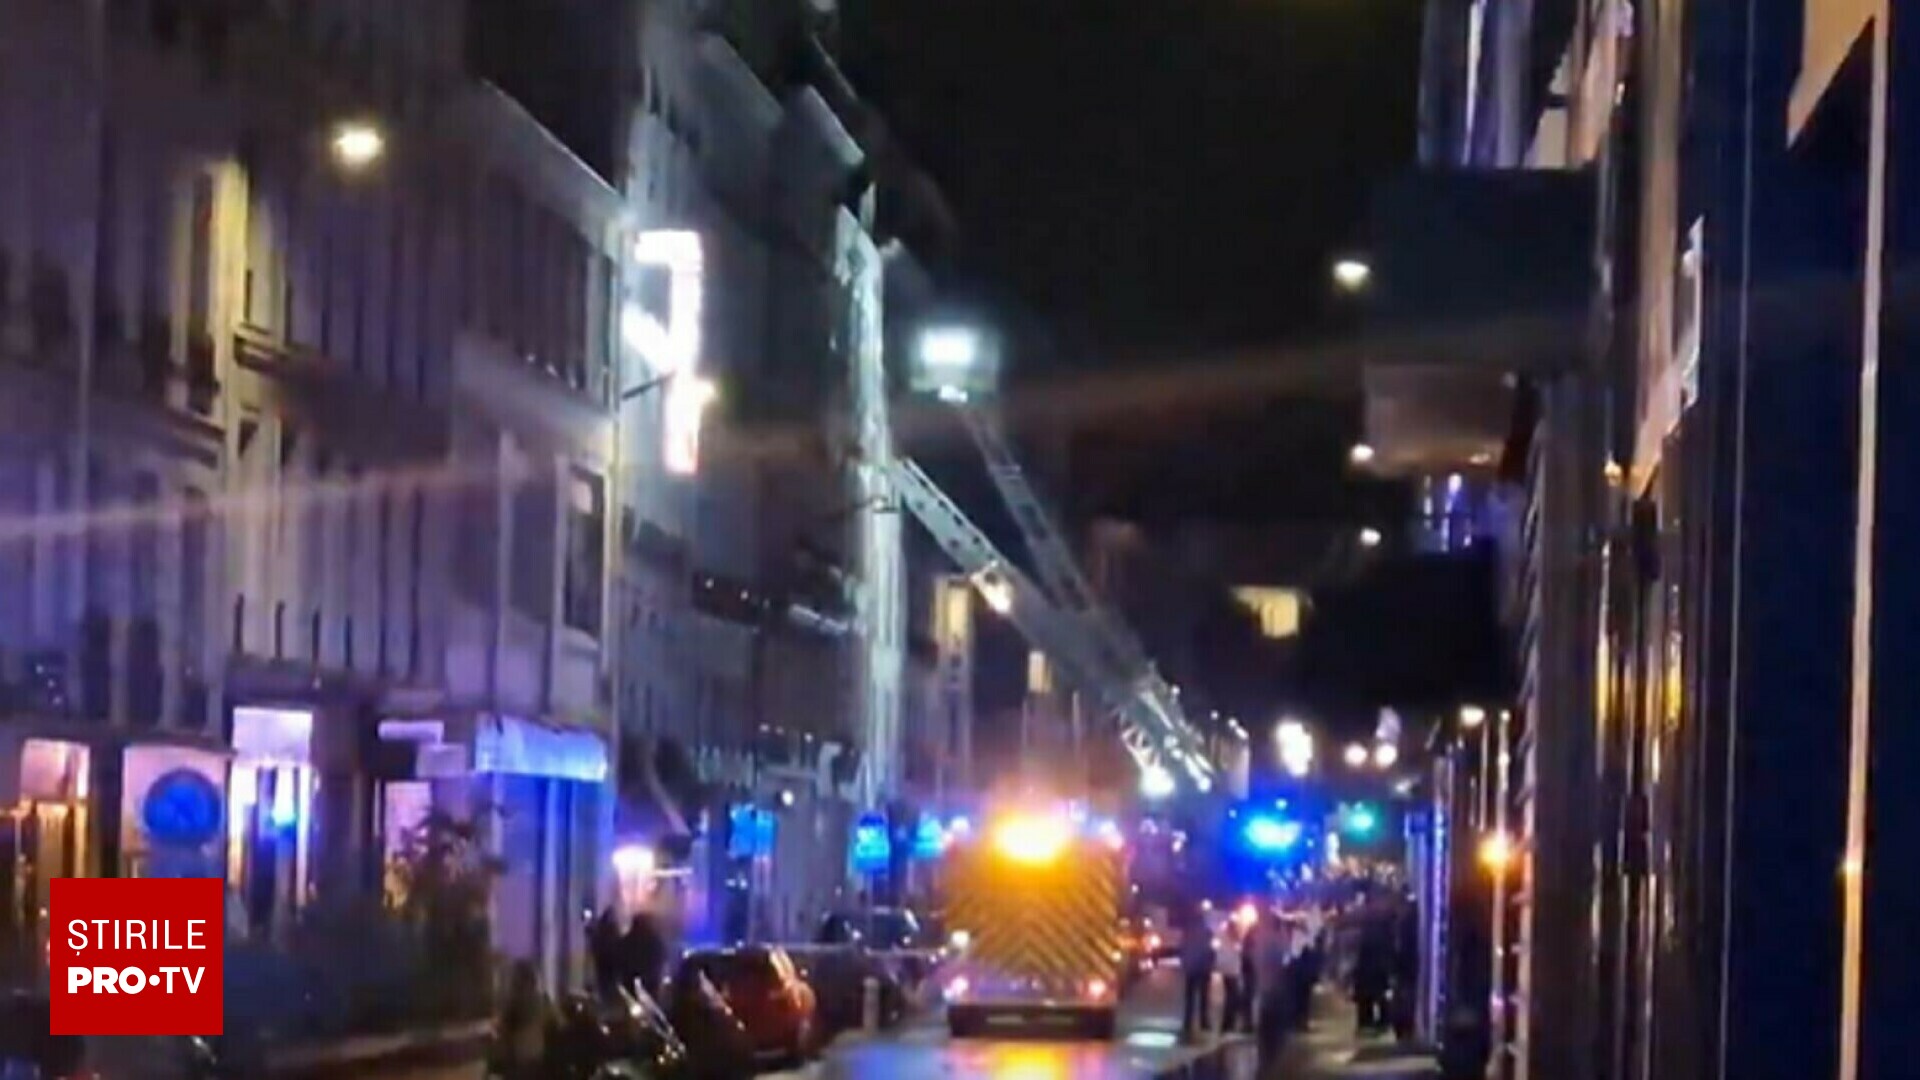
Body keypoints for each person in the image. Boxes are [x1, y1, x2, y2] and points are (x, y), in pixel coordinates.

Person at [494, 960, 551, 1080]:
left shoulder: (514, 1003)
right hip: (537, 1057)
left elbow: (501, 1028)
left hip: (518, 1059)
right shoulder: (542, 1000)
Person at [1254, 914, 1293, 1069]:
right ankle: (1271, 1051)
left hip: (1265, 983)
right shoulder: (1278, 941)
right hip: (1275, 983)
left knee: (1265, 1013)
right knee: (1273, 1015)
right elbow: (1285, 960)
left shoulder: (1263, 940)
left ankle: (1265, 1048)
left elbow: (1257, 960)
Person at [1179, 909, 1217, 1039]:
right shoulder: (1207, 932)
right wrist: (1211, 963)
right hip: (1203, 967)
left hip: (1191, 968)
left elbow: (1182, 948)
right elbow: (1211, 949)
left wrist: (1184, 963)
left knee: (1190, 998)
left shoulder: (1188, 932)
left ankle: (1187, 1022)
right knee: (1203, 997)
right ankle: (1203, 1021)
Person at [1352, 913, 1393, 1034]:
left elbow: (1361, 954)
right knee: (1381, 998)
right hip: (1378, 971)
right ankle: (1382, 1022)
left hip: (1366, 971)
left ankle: (1366, 1023)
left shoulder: (1366, 935)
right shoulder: (1385, 934)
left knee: (1366, 999)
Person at [623, 912, 667, 999]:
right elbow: (662, 956)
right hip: (650, 981)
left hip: (631, 981)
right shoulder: (655, 940)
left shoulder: (627, 940)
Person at [1217, 922, 1248, 1034]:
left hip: (1225, 969)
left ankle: (1227, 1023)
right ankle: (1229, 1023)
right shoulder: (1234, 939)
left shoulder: (1223, 937)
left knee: (1230, 995)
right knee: (1232, 996)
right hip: (1232, 970)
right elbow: (1238, 951)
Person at [588, 905, 623, 1000]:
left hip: (603, 969)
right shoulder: (614, 933)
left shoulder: (600, 933)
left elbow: (594, 947)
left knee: (604, 990)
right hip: (611, 971)